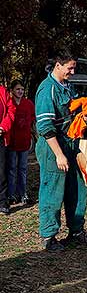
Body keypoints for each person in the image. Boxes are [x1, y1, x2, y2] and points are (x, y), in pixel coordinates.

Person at [35, 49, 87, 251]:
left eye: (74, 68)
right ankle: (49, 236)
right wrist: (59, 155)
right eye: (70, 68)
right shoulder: (47, 90)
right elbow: (45, 127)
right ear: (58, 66)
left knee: (77, 189)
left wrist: (85, 113)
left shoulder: (67, 86)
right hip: (53, 147)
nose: (72, 72)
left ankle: (76, 230)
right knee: (52, 191)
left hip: (71, 143)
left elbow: (73, 111)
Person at [6, 79, 35, 205]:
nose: (20, 91)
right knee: (11, 169)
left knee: (22, 168)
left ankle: (23, 193)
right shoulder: (9, 103)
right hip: (12, 142)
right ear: (12, 91)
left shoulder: (28, 104)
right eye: (17, 89)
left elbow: (33, 118)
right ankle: (11, 195)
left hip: (24, 141)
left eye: (22, 89)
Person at [0, 85, 16, 214]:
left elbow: (11, 110)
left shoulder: (2, 91)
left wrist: (2, 128)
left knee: (1, 170)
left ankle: (2, 202)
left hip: (0, 135)